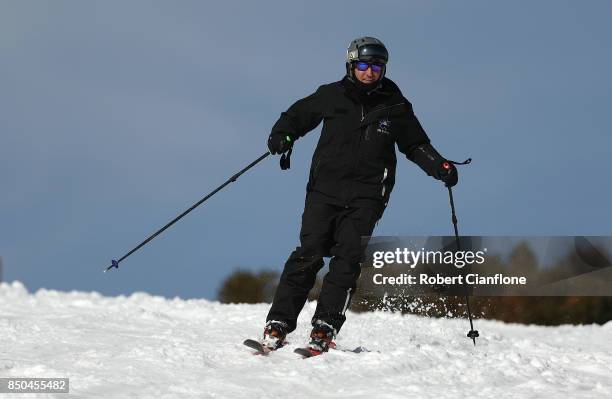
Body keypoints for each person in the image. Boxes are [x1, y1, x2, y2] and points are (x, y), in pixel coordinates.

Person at [263, 37, 458, 355]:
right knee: (309, 253)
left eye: (376, 67)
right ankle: (278, 324)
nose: (370, 72)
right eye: (364, 66)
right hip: (324, 190)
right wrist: (281, 135)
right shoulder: (332, 95)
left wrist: (440, 166)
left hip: (367, 195)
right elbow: (296, 116)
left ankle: (325, 327)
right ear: (351, 66)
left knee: (347, 259)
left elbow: (415, 145)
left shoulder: (395, 105)